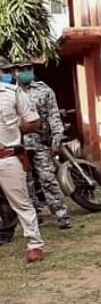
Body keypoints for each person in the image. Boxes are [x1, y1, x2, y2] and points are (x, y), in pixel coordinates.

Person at [7, 59, 71, 229]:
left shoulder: (44, 90)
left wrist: (57, 137)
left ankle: (61, 214)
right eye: (20, 70)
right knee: (24, 182)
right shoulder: (8, 92)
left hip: (40, 141)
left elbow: (53, 114)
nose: (24, 72)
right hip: (18, 144)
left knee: (48, 178)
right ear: (14, 73)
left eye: (28, 68)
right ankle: (34, 216)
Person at [0, 79, 45, 261]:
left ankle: (35, 245)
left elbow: (34, 121)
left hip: (7, 156)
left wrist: (14, 132)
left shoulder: (12, 92)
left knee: (21, 203)